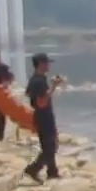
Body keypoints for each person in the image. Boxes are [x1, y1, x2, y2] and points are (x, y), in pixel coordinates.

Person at [23, 53, 63, 182]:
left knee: (51, 145)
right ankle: (32, 169)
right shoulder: (39, 81)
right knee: (49, 147)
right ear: (41, 64)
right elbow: (41, 102)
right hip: (43, 116)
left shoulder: (36, 79)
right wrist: (53, 87)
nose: (49, 65)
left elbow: (29, 94)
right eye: (47, 63)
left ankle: (52, 172)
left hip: (42, 116)